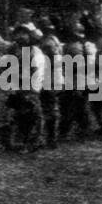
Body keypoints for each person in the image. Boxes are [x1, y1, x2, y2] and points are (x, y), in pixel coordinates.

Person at [0, 23, 44, 152]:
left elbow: (36, 73)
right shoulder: (14, 49)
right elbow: (6, 66)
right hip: (16, 85)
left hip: (30, 87)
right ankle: (10, 140)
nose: (21, 36)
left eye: (24, 33)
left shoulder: (35, 52)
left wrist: (30, 89)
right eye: (19, 33)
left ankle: (31, 142)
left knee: (30, 116)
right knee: (10, 114)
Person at [36, 14, 63, 147]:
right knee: (51, 108)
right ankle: (51, 138)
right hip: (54, 77)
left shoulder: (47, 43)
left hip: (50, 78)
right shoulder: (54, 40)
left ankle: (49, 138)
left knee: (48, 109)